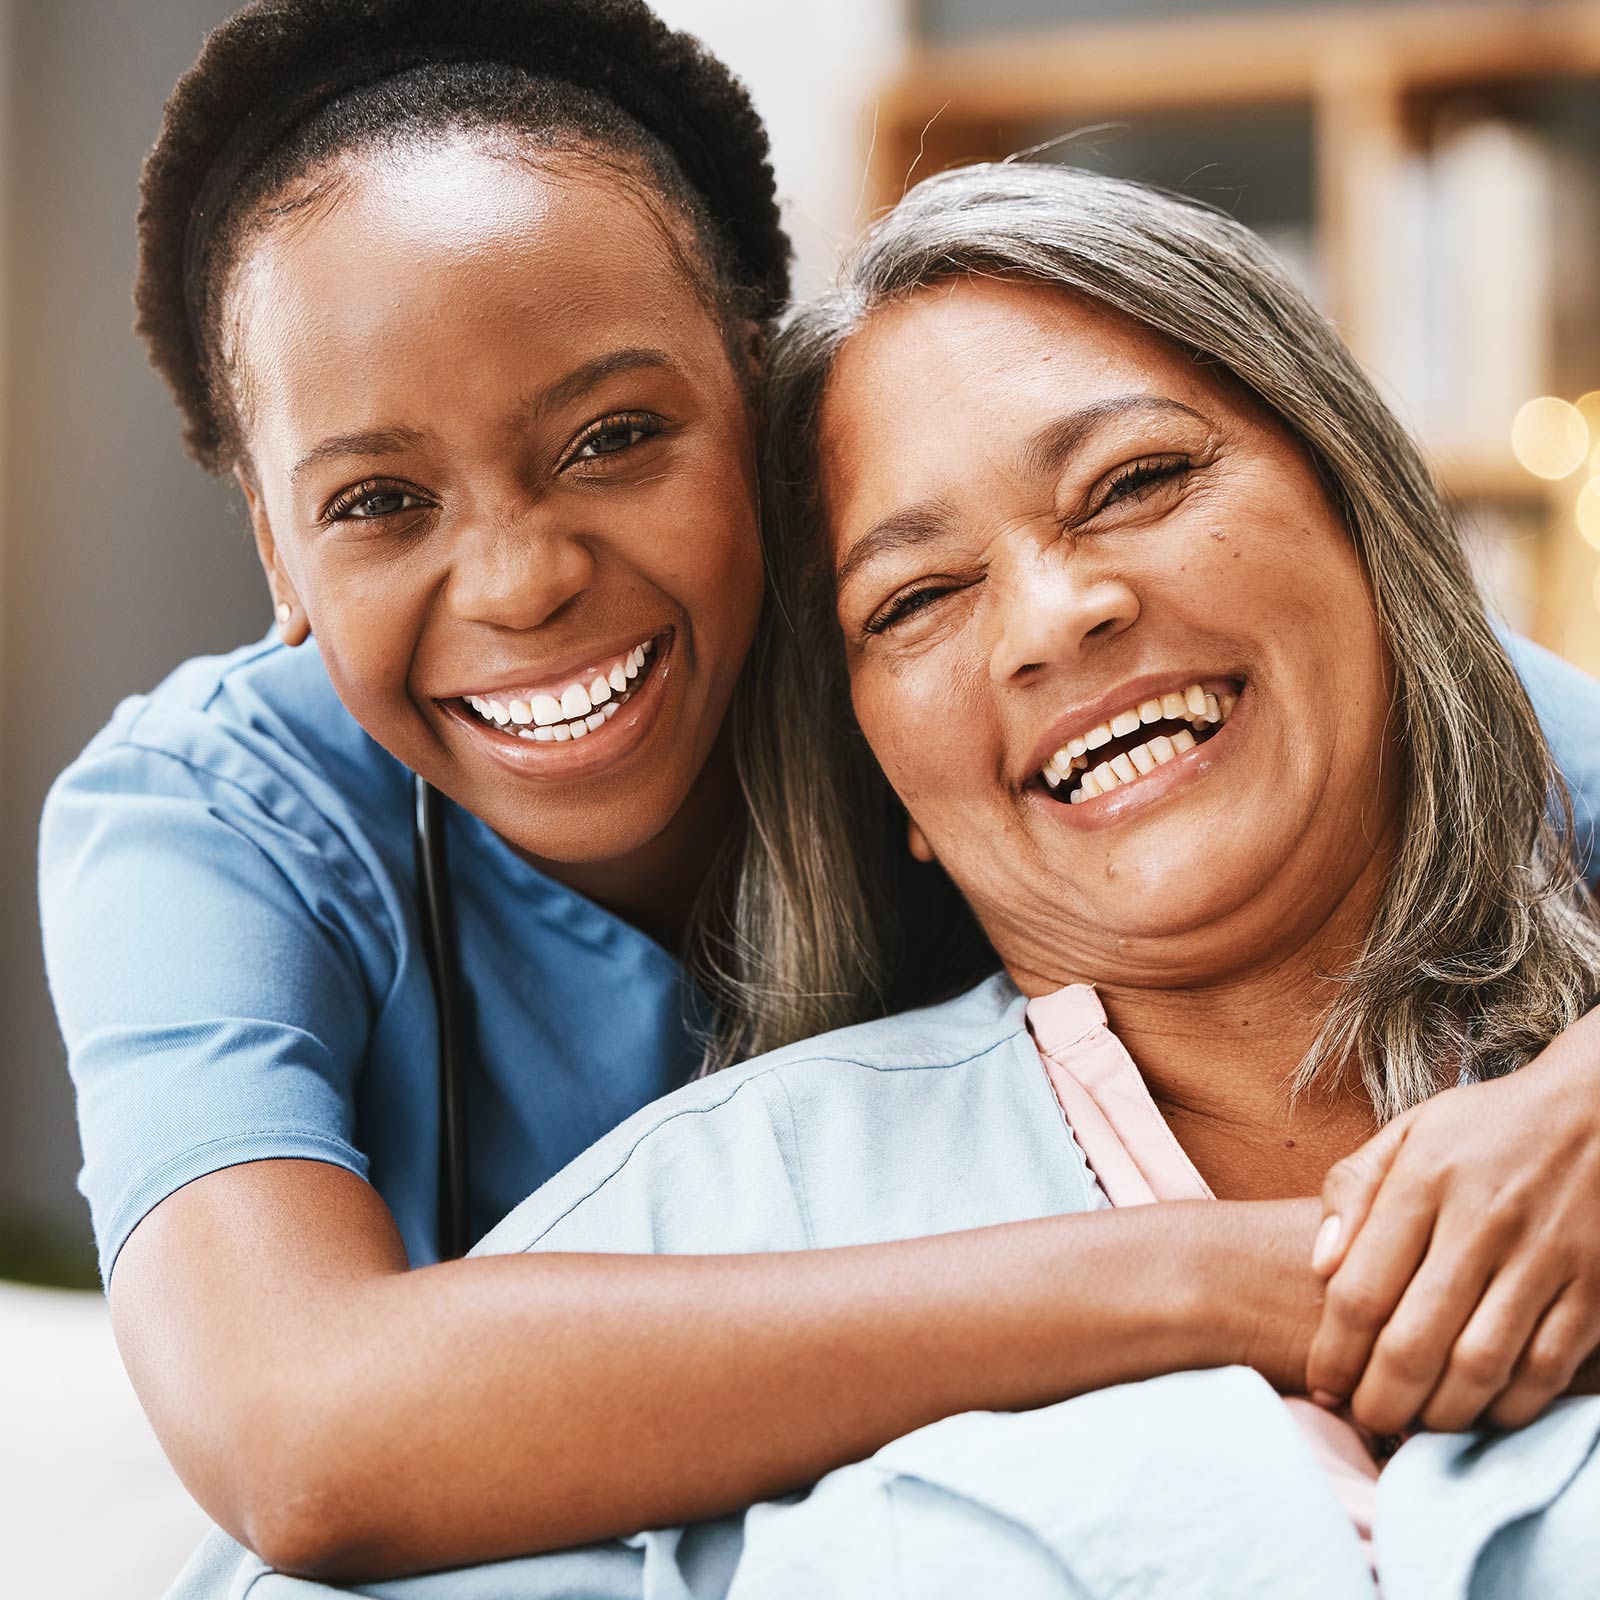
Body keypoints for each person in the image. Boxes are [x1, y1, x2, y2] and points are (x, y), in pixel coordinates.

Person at [38, 1, 1600, 1584]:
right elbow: (301, 1433)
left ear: (758, 395)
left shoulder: (1164, 662)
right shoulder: (215, 821)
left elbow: (1432, 727)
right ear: (270, 542)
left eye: (617, 436)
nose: (519, 580)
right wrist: (1272, 1274)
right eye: (376, 500)